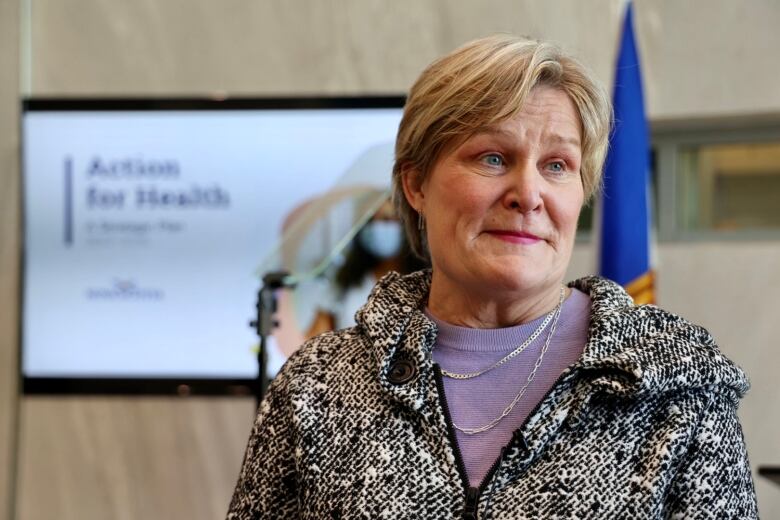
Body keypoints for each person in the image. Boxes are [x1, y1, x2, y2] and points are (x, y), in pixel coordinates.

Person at [227, 35, 757, 519]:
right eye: (493, 157)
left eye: (556, 166)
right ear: (416, 185)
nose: (528, 194)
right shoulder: (317, 383)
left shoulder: (676, 381)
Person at [306, 199, 429, 338]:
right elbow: (314, 340)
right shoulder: (345, 279)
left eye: (387, 219)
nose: (378, 227)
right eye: (371, 220)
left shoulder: (426, 283)